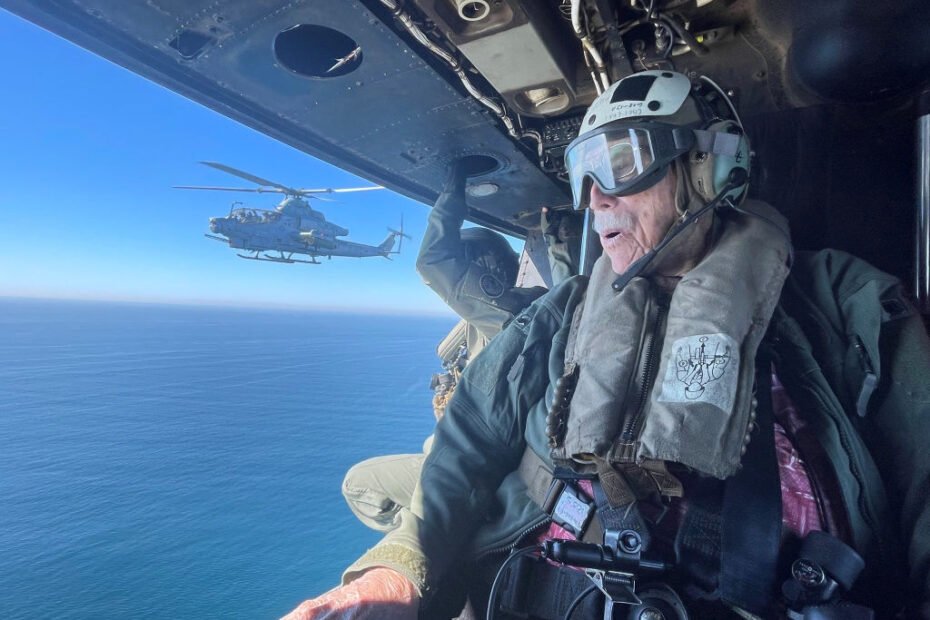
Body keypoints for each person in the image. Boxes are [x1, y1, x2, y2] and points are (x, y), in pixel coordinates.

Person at [281, 70, 930, 620]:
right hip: (534, 581)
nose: (593, 198)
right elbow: (470, 442)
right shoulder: (562, 315)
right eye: (582, 172)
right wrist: (398, 570)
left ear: (710, 168)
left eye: (618, 165)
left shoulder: (843, 302)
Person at [340, 159, 576, 534]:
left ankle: (431, 534)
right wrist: (558, 242)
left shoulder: (506, 316)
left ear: (482, 266)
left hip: (479, 465)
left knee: (357, 483)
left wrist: (453, 190)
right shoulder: (537, 306)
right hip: (504, 455)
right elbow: (567, 286)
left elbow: (433, 262)